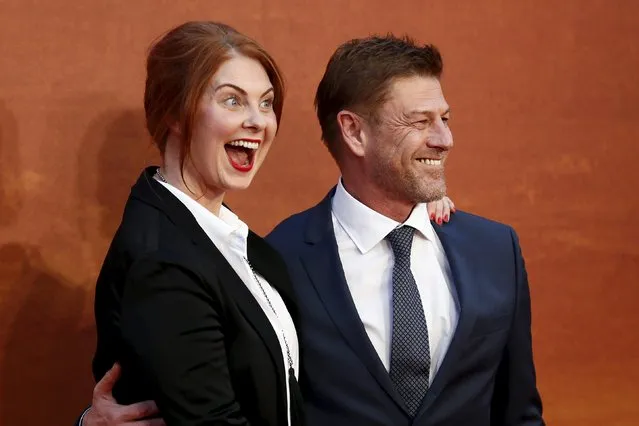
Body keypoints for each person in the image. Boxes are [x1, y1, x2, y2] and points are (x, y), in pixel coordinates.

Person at [76, 24, 456, 426]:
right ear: (174, 111)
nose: (258, 121)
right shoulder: (163, 259)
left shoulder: (235, 242)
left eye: (266, 102)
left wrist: (406, 201)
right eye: (232, 101)